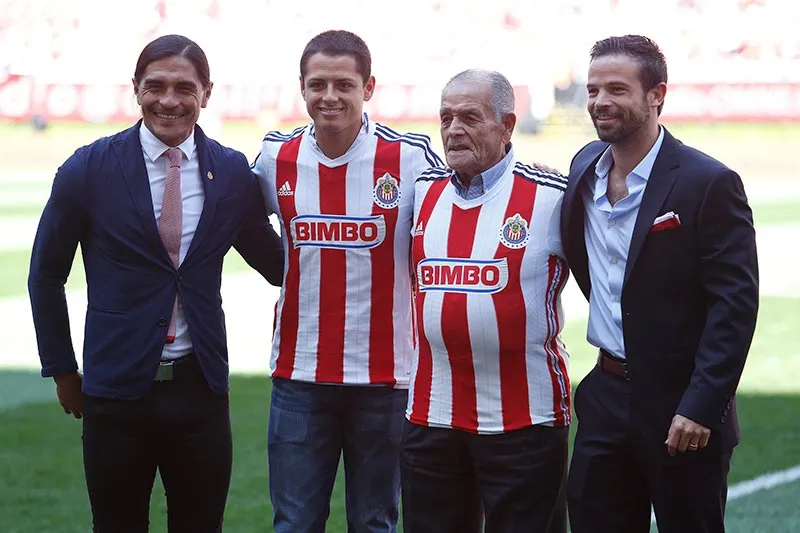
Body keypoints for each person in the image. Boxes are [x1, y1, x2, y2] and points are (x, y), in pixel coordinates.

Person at [28, 34, 284, 533]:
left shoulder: (231, 172)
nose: (169, 100)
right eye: (156, 86)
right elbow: (45, 275)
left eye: (184, 88)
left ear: (206, 93)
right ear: (136, 90)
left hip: (201, 390)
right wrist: (62, 371)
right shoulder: (88, 169)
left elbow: (276, 265)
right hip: (116, 391)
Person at [561, 35, 759, 533]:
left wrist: (701, 406)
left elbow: (734, 305)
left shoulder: (707, 182)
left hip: (680, 404)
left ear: (657, 95)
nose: (600, 102)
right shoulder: (584, 167)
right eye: (592, 90)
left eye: (616, 89)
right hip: (605, 393)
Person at [250, 30, 443, 533]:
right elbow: (238, 221)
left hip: (385, 378)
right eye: (318, 84)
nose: (329, 96)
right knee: (293, 522)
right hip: (298, 375)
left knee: (375, 522)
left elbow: (458, 216)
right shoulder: (277, 157)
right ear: (302, 87)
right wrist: (280, 268)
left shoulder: (412, 157)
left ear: (368, 87)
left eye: (343, 84)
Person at [401, 69, 570, 533]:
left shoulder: (552, 196)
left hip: (525, 420)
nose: (454, 129)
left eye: (470, 117)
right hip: (431, 417)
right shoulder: (421, 192)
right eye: (446, 117)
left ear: (507, 125)